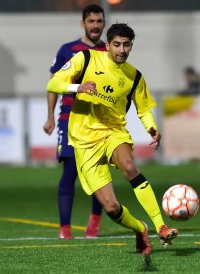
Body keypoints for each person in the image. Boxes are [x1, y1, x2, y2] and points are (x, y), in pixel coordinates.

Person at [47, 23, 178, 254]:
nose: (121, 49)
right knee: (110, 207)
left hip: (113, 132)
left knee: (129, 166)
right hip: (84, 140)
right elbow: (53, 83)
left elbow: (144, 109)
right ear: (107, 45)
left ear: (131, 47)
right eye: (117, 44)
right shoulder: (85, 59)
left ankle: (161, 225)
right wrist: (78, 87)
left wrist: (151, 127)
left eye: (126, 45)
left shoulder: (134, 76)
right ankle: (140, 228)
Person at [43, 4, 107, 239]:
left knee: (97, 173)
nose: (96, 26)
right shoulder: (68, 50)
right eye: (91, 21)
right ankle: (65, 229)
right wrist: (50, 116)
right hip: (69, 119)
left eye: (99, 21)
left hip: (98, 121)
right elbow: (53, 84)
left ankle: (94, 223)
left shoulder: (108, 51)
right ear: (83, 23)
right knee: (70, 170)